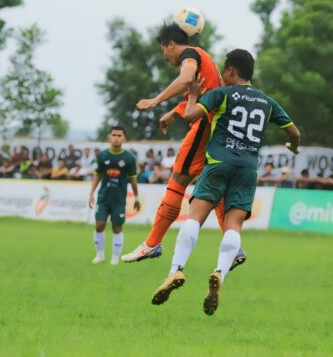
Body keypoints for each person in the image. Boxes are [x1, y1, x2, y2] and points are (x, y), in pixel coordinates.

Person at [151, 49, 300, 315]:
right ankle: (220, 272)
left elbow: (190, 115)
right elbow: (294, 131)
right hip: (246, 169)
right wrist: (293, 146)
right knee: (233, 225)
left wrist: (194, 95)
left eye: (225, 71)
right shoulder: (267, 102)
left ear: (230, 71)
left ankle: (176, 271)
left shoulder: (222, 93)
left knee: (194, 218)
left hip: (218, 164)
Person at [122, 23, 233, 263]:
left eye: (164, 51)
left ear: (171, 44)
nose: (166, 58)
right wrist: (175, 110)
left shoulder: (189, 54)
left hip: (205, 124)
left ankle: (152, 244)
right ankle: (233, 246)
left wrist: (156, 100)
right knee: (214, 187)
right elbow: (203, 94)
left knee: (178, 180)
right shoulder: (206, 59)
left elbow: (185, 79)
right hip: (217, 127)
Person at [88, 126, 140, 265]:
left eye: (119, 135)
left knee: (117, 227)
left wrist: (136, 197)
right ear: (109, 137)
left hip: (119, 199)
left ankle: (115, 258)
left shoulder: (129, 158)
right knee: (99, 225)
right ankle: (99, 255)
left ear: (123, 138)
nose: (116, 138)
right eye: (114, 135)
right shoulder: (103, 155)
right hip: (104, 197)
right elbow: (97, 174)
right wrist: (91, 192)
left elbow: (133, 179)